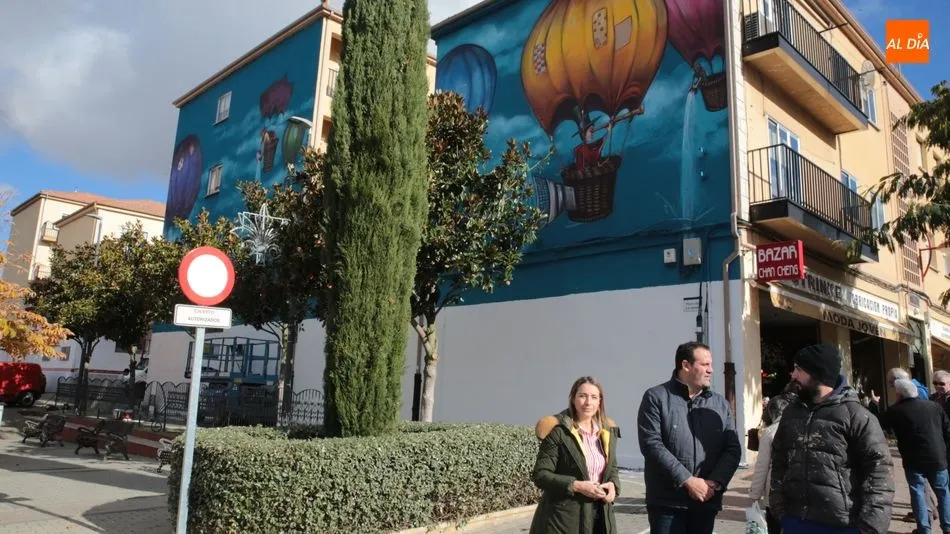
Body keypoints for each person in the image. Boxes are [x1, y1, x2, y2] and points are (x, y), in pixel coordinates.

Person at [770, 344, 894, 534]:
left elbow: (879, 469)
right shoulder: (791, 412)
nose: (793, 375)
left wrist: (872, 524)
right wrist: (780, 508)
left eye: (799, 370)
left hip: (844, 524)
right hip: (796, 520)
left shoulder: (856, 415)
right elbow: (779, 459)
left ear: (818, 373)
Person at [637, 341, 741, 534]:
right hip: (667, 503)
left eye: (711, 364)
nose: (711, 370)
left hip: (706, 500)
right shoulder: (656, 397)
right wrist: (687, 480)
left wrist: (715, 482)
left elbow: (732, 449)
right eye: (705, 365)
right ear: (685, 365)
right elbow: (651, 444)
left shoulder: (719, 404)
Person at [530, 376, 621, 534]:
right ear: (573, 399)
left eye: (594, 397)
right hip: (563, 520)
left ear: (600, 402)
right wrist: (576, 486)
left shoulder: (607, 431)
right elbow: (540, 475)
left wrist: (613, 486)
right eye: (582, 396)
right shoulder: (558, 431)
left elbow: (611, 467)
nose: (588, 402)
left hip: (600, 517)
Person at [880, 378, 950, 534]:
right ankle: (948, 526)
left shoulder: (896, 410)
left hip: (913, 459)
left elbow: (880, 424)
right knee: (943, 493)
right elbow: (947, 430)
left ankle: (924, 528)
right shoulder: (934, 407)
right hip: (937, 456)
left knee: (918, 493)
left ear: (898, 394)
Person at [749, 391, 798, 534]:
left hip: (774, 492)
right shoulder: (801, 427)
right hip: (798, 490)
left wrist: (755, 495)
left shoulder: (769, 432)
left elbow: (762, 467)